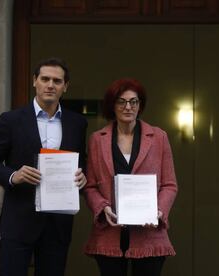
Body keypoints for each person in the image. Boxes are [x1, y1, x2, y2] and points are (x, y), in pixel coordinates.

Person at [0, 57, 88, 276]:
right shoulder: (11, 120)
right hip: (19, 219)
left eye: (57, 81)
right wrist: (13, 176)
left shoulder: (77, 123)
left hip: (58, 223)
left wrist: (83, 179)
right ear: (34, 81)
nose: (50, 85)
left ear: (65, 87)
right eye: (45, 79)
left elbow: (82, 164)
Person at [83, 78, 178, 276]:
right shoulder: (96, 140)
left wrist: (158, 211)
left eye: (133, 101)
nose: (128, 107)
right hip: (110, 233)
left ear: (140, 104)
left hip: (149, 233)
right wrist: (103, 208)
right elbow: (90, 186)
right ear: (112, 105)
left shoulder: (158, 137)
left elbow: (169, 185)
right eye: (121, 101)